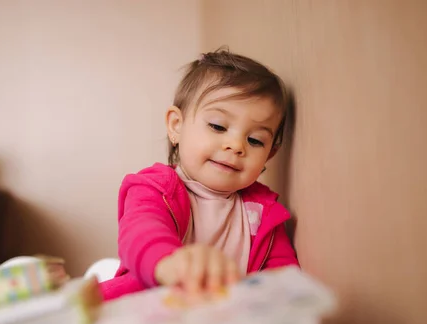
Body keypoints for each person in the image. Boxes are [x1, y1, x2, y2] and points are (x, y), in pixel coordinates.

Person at [99, 48, 299, 301]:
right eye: (218, 126)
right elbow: (140, 234)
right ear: (176, 125)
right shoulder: (154, 189)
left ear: (269, 155)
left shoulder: (264, 213)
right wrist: (172, 263)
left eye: (255, 140)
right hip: (151, 310)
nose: (236, 145)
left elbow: (284, 275)